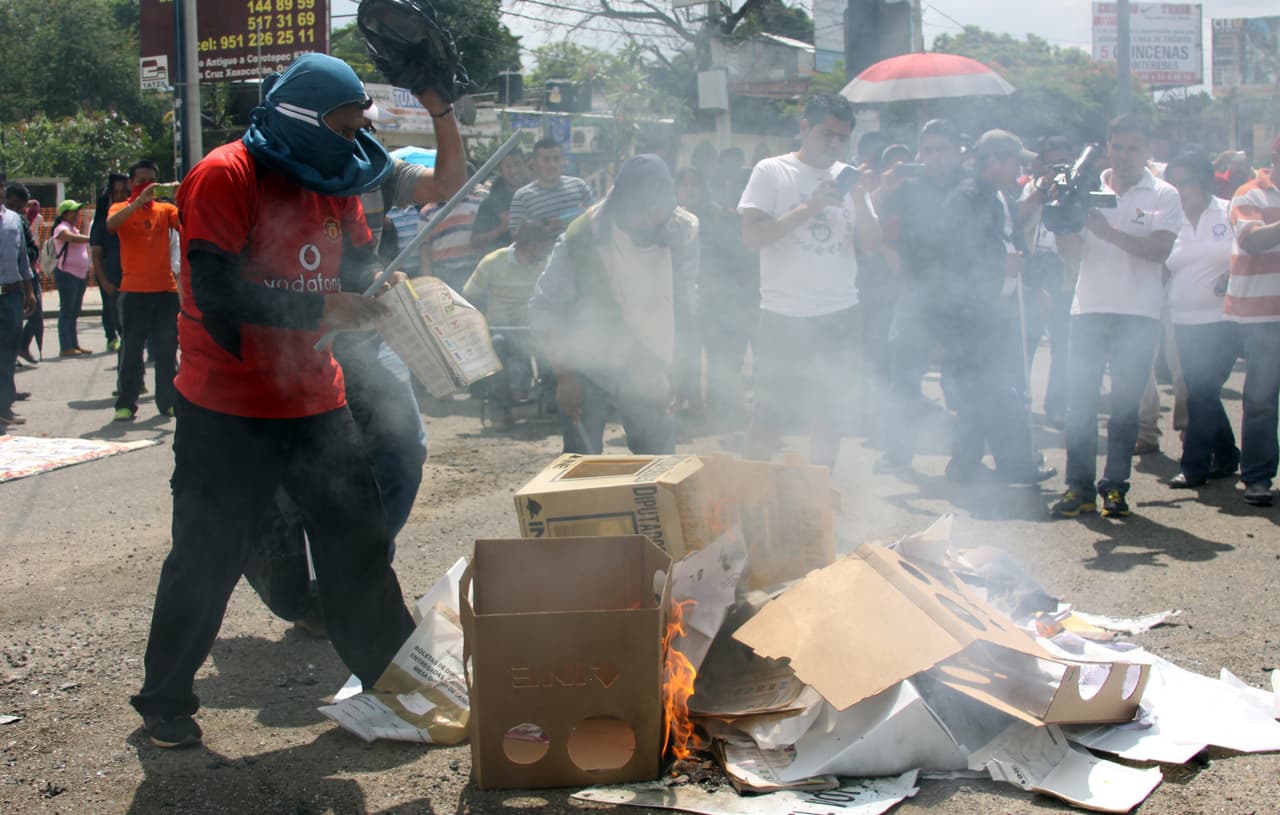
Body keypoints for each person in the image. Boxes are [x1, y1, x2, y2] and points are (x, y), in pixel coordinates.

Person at [129, 53, 416, 748]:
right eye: (344, 125)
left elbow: (353, 265)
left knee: (358, 545)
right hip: (225, 406)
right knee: (206, 553)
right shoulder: (226, 175)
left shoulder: (336, 180)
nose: (354, 139)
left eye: (359, 127)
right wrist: (326, 307)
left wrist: (380, 288)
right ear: (304, 118)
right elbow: (217, 291)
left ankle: (402, 685)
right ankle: (164, 699)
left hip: (317, 400)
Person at [738, 93, 879, 470]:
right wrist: (809, 208)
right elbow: (753, 238)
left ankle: (816, 502)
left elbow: (871, 245)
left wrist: (863, 199)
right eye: (825, 134)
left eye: (841, 138)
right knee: (769, 416)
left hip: (840, 315)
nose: (833, 145)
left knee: (830, 416)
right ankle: (745, 501)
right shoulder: (772, 171)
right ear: (804, 128)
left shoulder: (846, 179)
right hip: (785, 315)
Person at [1050, 115, 1181, 518]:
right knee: (1080, 407)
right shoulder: (1085, 186)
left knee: (1125, 409)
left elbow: (1159, 250)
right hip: (1087, 309)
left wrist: (1108, 232)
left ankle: (1115, 487)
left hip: (1138, 314)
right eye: (1118, 147)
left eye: (1133, 149)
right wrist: (1064, 218)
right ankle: (1078, 488)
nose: (1124, 156)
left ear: (1147, 151)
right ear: (1107, 147)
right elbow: (1072, 255)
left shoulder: (1163, 193)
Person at [529, 154, 698, 456]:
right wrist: (565, 374)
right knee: (582, 466)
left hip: (647, 362)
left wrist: (681, 368)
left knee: (657, 463)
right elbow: (544, 308)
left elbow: (684, 299)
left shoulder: (681, 229)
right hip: (586, 365)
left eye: (658, 213)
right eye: (642, 212)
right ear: (621, 203)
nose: (651, 222)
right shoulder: (581, 238)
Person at [941, 130, 1055, 483]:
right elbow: (953, 253)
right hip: (971, 314)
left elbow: (1015, 242)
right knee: (979, 393)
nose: (1019, 168)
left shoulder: (1002, 196)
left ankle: (1004, 463)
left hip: (1001, 309)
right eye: (1014, 161)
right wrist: (997, 265)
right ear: (993, 161)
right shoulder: (964, 198)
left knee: (1004, 389)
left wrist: (1033, 284)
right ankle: (977, 466)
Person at [875, 119, 968, 473]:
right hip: (916, 295)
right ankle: (897, 453)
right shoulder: (907, 187)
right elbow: (872, 225)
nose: (934, 157)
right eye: (927, 149)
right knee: (903, 378)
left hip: (961, 297)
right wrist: (885, 187)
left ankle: (964, 457)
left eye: (941, 149)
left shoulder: (970, 186)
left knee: (959, 381)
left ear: (957, 151)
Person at [1163, 151, 1240, 489]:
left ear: (1204, 181)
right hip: (1183, 321)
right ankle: (1227, 454)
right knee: (1201, 391)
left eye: (1185, 182)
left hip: (1224, 320)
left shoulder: (1227, 211)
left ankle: (1194, 465)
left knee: (1202, 391)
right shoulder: (1169, 219)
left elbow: (1246, 252)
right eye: (1173, 183)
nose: (1179, 190)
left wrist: (1232, 276)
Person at [1227, 135, 1280, 506]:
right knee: (1261, 398)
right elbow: (1251, 240)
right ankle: (1257, 476)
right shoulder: (1250, 194)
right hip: (1263, 316)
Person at [106, 159, 180, 420]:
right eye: (140, 181)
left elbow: (186, 223)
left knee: (166, 350)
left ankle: (168, 401)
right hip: (134, 292)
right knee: (131, 352)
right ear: (131, 182)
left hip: (165, 292)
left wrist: (181, 195)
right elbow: (112, 225)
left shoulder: (165, 209)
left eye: (151, 181)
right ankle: (125, 403)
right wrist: (138, 201)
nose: (146, 186)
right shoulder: (120, 207)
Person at [463, 221, 556, 429]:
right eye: (543, 245)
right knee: (495, 347)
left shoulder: (546, 264)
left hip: (533, 330)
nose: (547, 249)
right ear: (531, 245)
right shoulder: (493, 262)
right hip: (501, 330)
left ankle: (552, 402)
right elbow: (470, 295)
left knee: (554, 344)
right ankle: (500, 410)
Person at [1018, 136, 1076, 426]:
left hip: (1065, 275)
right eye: (1055, 163)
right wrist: (1040, 192)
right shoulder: (1032, 187)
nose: (1060, 169)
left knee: (1063, 345)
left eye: (1066, 163)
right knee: (1026, 340)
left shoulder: (1079, 190)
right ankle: (1018, 403)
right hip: (1034, 272)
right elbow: (1016, 218)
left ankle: (1056, 406)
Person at [507, 137, 594, 239]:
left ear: (563, 161)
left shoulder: (579, 186)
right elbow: (515, 237)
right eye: (546, 160)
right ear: (534, 164)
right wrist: (544, 231)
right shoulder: (522, 196)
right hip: (543, 254)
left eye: (556, 159)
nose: (552, 164)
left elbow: (597, 217)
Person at [1, 191, 37, 425]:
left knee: (8, 352)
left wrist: (30, 291)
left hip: (11, 294)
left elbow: (23, 258)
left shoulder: (14, 219)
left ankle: (4, 407)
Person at [90, 173, 131, 354]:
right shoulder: (101, 222)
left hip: (137, 280)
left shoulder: (136, 216)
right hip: (113, 281)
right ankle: (112, 337)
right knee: (114, 314)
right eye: (117, 192)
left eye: (124, 191)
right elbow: (97, 255)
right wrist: (105, 282)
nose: (121, 196)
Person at [48, 200, 92, 357]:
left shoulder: (74, 228)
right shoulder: (61, 228)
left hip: (80, 275)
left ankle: (74, 344)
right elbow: (71, 238)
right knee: (67, 311)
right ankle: (65, 346)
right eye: (74, 211)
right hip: (67, 274)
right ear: (65, 214)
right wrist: (91, 238)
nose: (77, 215)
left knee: (74, 311)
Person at [6, 187, 40, 366]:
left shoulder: (17, 221)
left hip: (14, 287)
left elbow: (26, 256)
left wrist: (29, 290)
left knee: (12, 334)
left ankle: (8, 388)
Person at [470, 147, 527, 253]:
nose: (513, 170)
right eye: (508, 166)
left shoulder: (535, 195)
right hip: (500, 263)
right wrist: (501, 228)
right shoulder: (490, 203)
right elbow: (475, 241)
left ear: (525, 166)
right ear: (501, 170)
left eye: (517, 164)